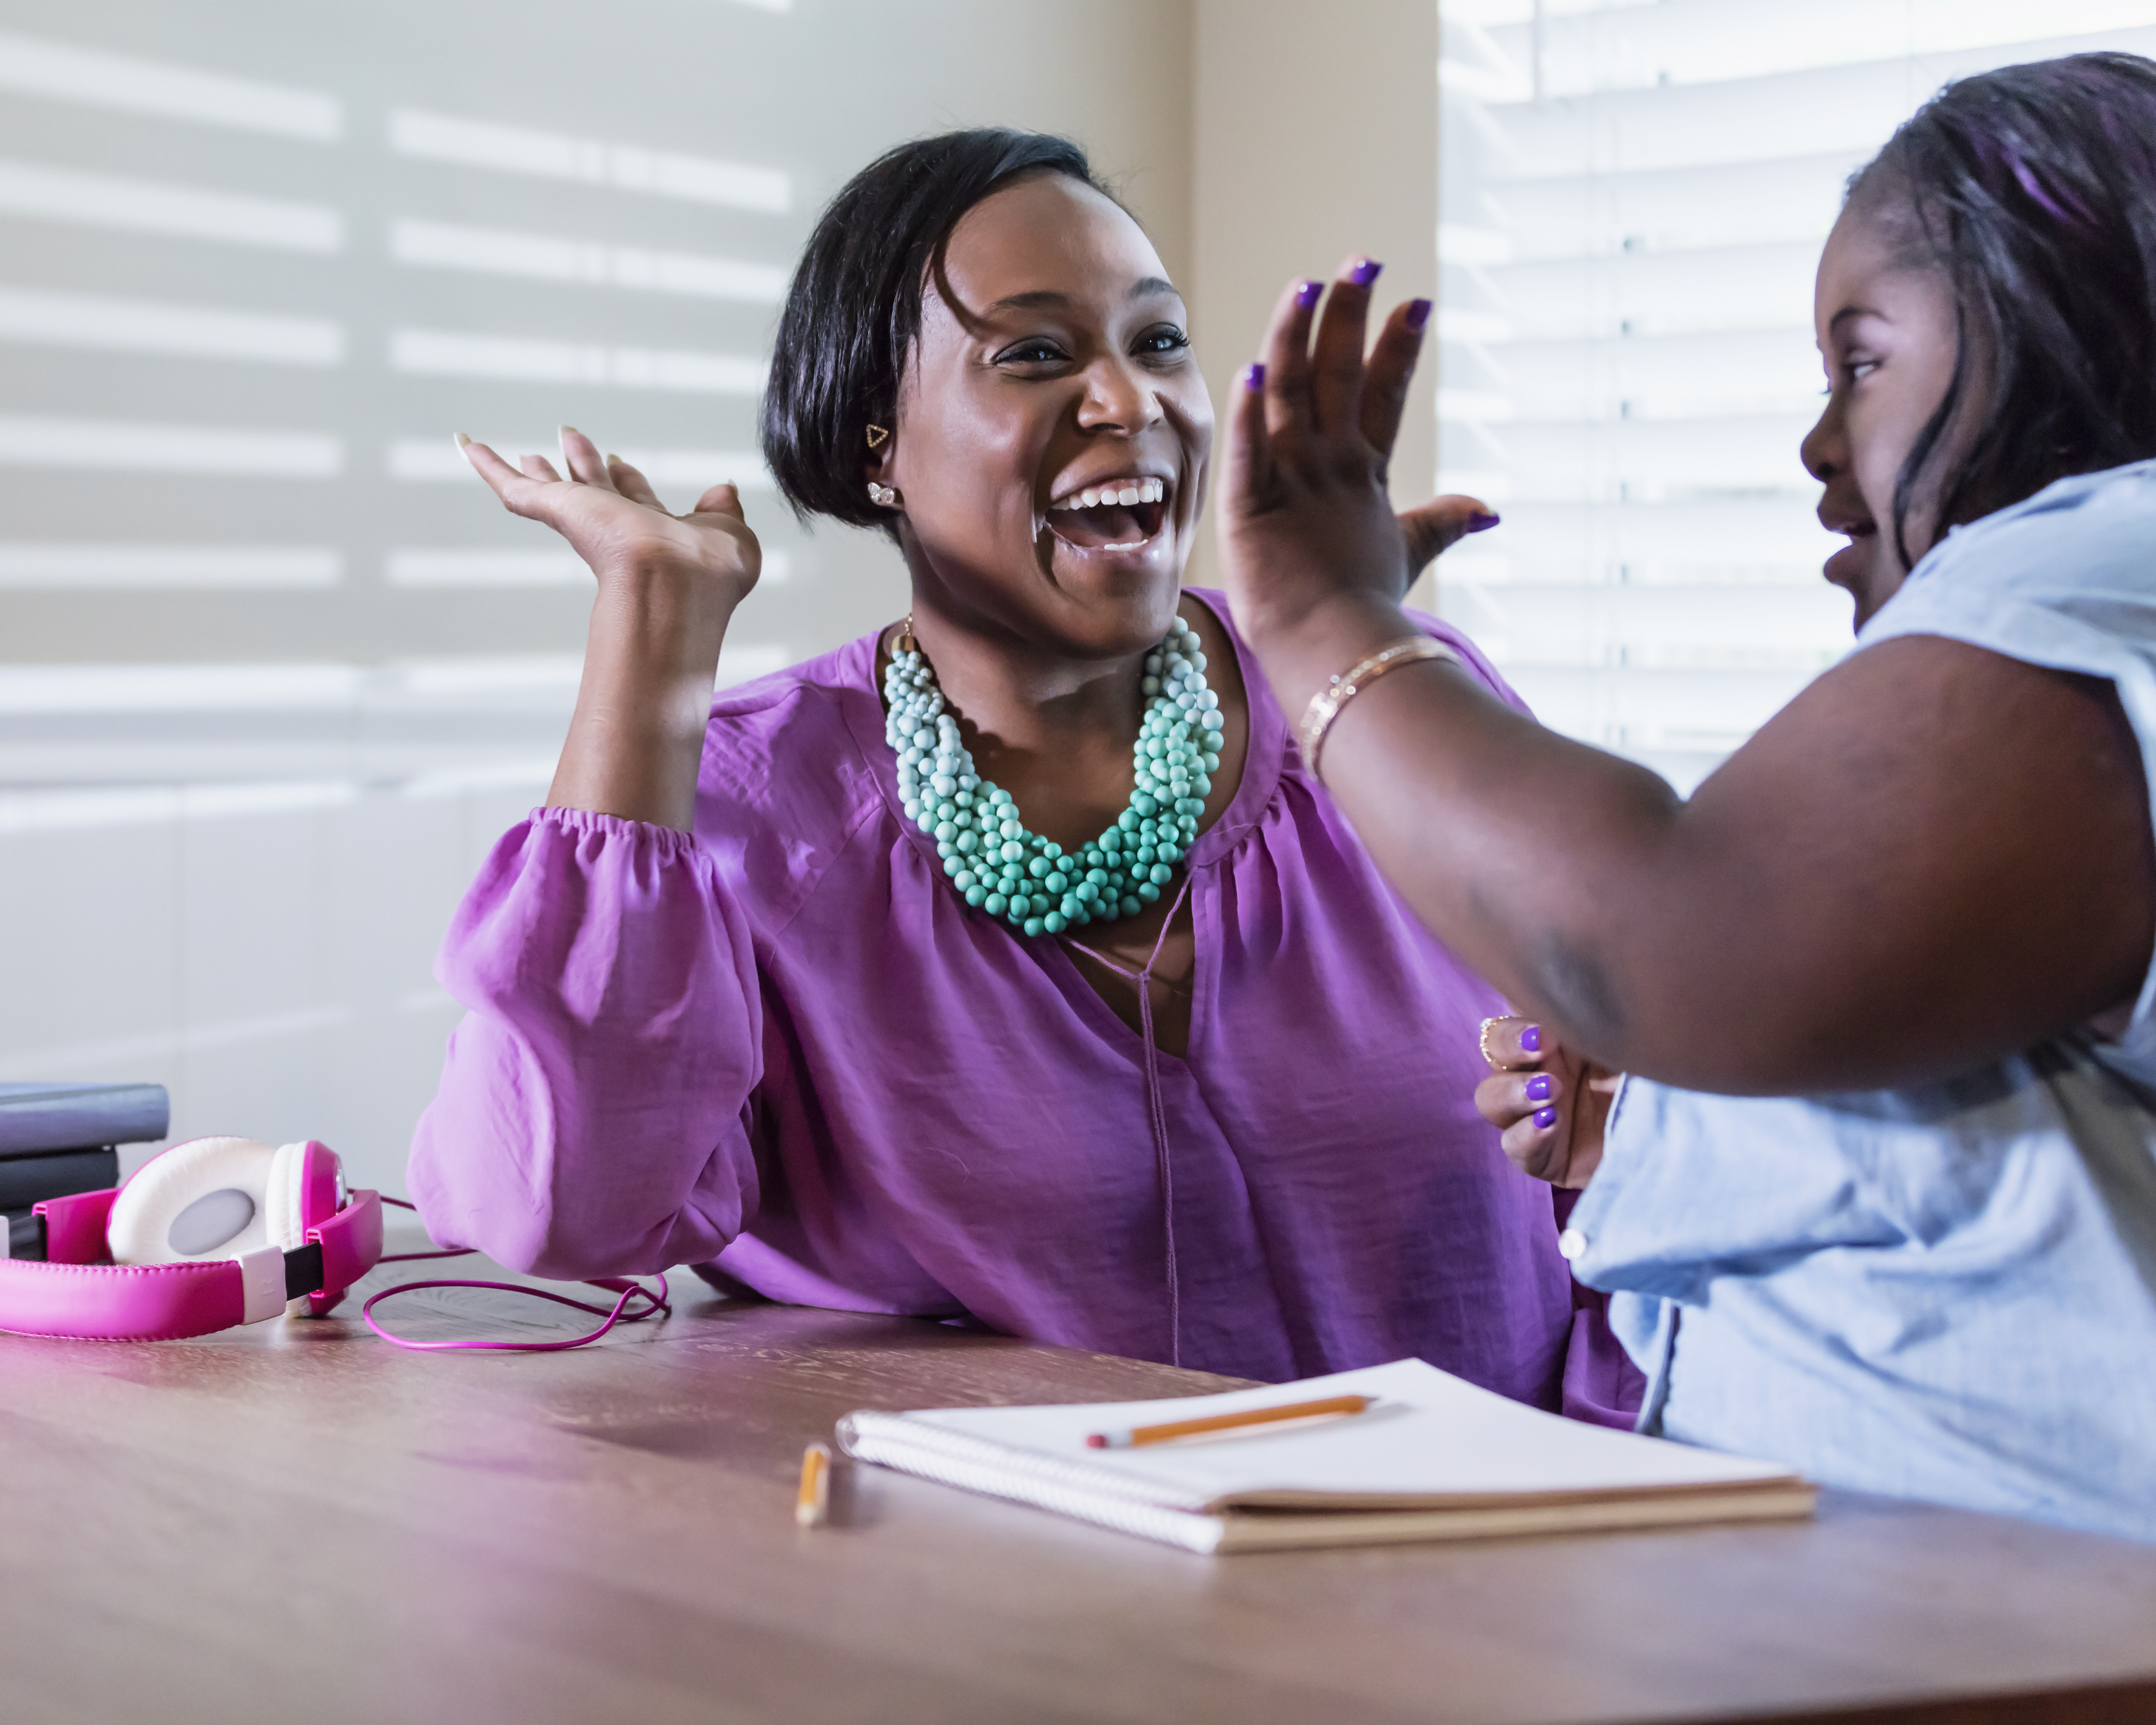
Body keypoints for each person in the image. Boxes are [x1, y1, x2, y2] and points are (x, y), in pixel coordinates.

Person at [1220, 52, 2156, 1598]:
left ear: (2058, 331)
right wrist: (1658, 1127)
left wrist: (1317, 618)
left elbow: (1665, 940)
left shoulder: (2146, 560)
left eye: (1859, 362)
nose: (1821, 449)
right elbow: (2064, 1190)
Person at [411, 128, 1633, 1409]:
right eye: (1035, 355)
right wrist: (654, 642)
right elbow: (556, 1215)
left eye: (1157, 342)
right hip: (1021, 1585)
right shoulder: (740, 815)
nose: (1127, 402)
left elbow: (1628, 1152)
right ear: (876, 441)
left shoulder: (1382, 698)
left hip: (1497, 1546)